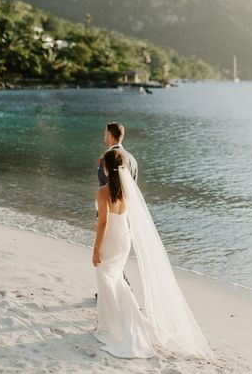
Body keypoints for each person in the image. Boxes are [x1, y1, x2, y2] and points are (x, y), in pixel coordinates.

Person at [92, 149, 212, 360]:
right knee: (116, 280)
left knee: (105, 279)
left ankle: (110, 326)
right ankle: (118, 322)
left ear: (105, 168)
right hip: (124, 240)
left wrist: (95, 249)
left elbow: (103, 222)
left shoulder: (103, 192)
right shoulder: (128, 192)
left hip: (110, 238)